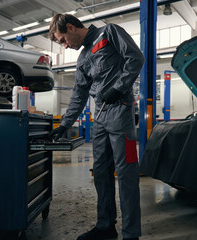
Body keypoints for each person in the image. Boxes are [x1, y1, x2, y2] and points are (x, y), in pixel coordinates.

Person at [49, 13, 144, 240]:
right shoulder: (82, 58)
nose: (65, 46)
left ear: (71, 27)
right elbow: (79, 94)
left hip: (121, 112)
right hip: (99, 118)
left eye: (63, 40)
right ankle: (105, 226)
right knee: (101, 172)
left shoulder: (109, 32)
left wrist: (119, 88)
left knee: (127, 172)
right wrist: (65, 124)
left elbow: (136, 58)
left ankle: (131, 234)